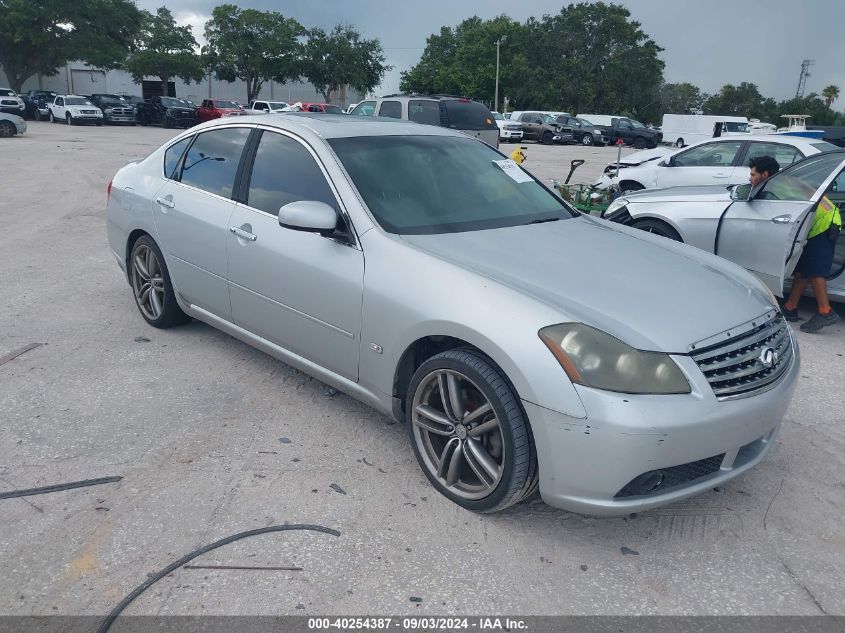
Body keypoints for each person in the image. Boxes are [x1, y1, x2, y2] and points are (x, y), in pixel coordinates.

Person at [781, 184, 842, 333]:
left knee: (815, 269)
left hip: (825, 223)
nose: (751, 177)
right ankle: (790, 306)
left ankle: (825, 311)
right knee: (802, 269)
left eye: (753, 174)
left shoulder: (779, 188)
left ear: (765, 174)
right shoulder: (785, 181)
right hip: (816, 222)